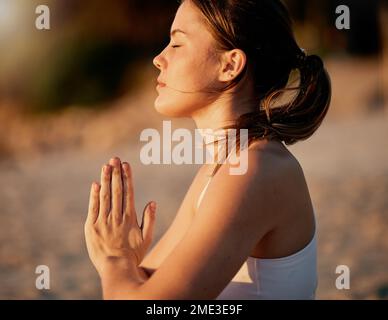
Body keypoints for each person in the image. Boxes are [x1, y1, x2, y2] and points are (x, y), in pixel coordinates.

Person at [84, 0, 331, 299]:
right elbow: (144, 284)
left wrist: (115, 260)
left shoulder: (256, 170)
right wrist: (127, 261)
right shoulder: (221, 169)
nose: (158, 59)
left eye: (176, 44)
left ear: (229, 66)